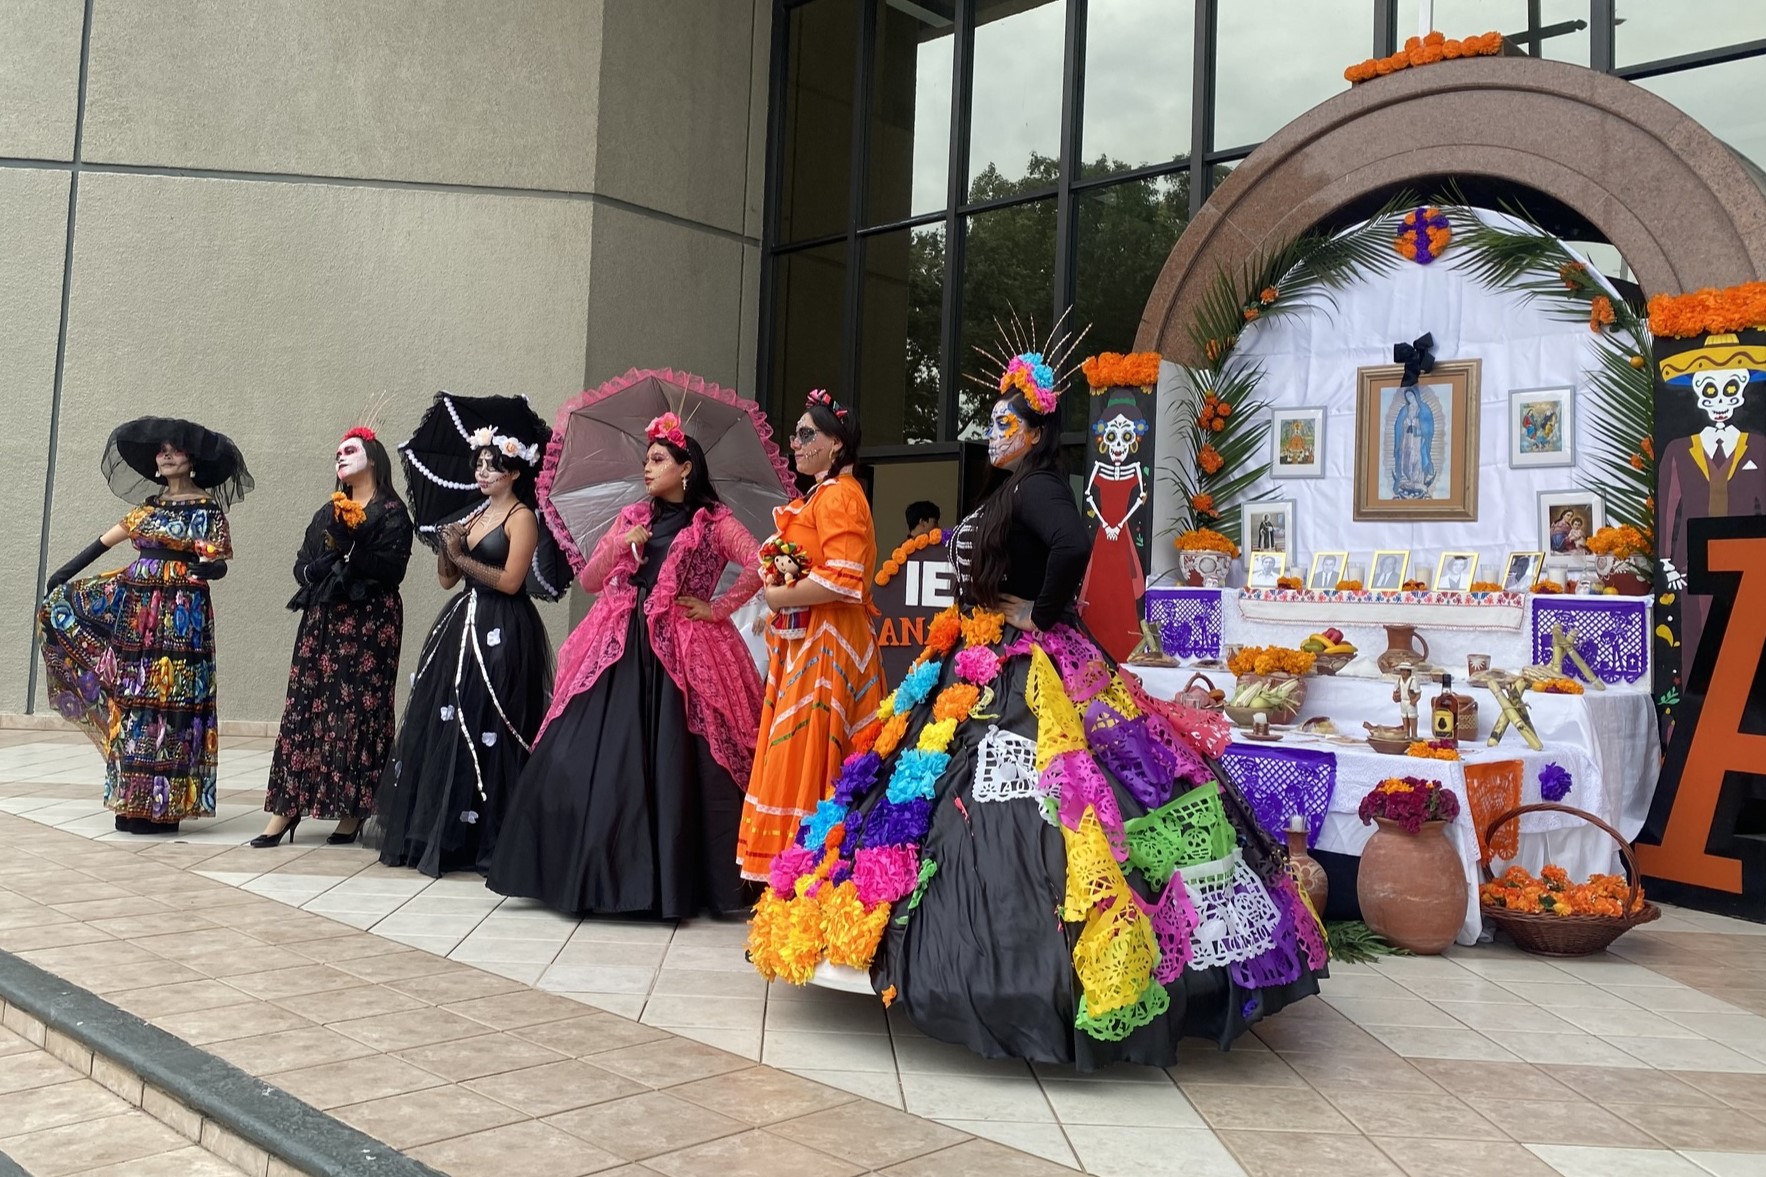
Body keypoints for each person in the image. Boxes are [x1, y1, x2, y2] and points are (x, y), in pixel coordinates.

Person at [747, 328, 1325, 1070]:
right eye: (990, 421)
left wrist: (1041, 614)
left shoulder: (1043, 486)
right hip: (974, 654)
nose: (993, 433)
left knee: (1046, 814)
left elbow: (1072, 547)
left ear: (1036, 431)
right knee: (938, 795)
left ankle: (1040, 973)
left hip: (1024, 664)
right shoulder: (1012, 487)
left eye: (1004, 423)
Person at [488, 415, 763, 918]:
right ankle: (590, 875)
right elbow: (592, 580)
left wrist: (717, 607)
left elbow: (761, 562)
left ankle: (689, 883)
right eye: (646, 459)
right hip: (622, 640)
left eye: (658, 459)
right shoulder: (634, 516)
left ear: (686, 469)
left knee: (691, 760)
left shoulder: (715, 522)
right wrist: (620, 543)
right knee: (585, 753)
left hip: (685, 645)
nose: (647, 467)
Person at [39, 417, 251, 835]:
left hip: (183, 614)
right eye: (162, 450)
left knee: (173, 705)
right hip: (137, 612)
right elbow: (103, 542)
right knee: (136, 702)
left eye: (176, 449)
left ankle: (166, 806)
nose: (167, 455)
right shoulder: (147, 510)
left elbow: (219, 562)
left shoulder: (208, 509)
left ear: (191, 460)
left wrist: (208, 569)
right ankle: (132, 801)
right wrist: (62, 576)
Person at [365, 426, 553, 877]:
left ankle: (490, 834)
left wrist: (462, 555)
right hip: (462, 620)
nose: (483, 471)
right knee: (450, 716)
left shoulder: (521, 517)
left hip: (504, 626)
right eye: (480, 464)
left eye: (493, 465)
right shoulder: (475, 514)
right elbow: (448, 579)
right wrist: (448, 551)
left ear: (513, 472)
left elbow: (510, 581)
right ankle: (447, 831)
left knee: (494, 720)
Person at [736, 389, 885, 882]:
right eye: (794, 434)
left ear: (836, 445)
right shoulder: (824, 494)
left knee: (809, 751)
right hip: (811, 641)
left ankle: (810, 871)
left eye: (806, 434)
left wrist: (777, 595)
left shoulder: (839, 495)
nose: (794, 444)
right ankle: (797, 872)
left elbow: (844, 578)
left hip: (829, 644)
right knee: (798, 750)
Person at [254, 426, 413, 848]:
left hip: (369, 623)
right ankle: (286, 809)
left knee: (359, 710)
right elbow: (303, 563)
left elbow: (389, 569)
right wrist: (323, 562)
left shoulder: (393, 512)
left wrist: (353, 547)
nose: (340, 457)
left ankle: (354, 809)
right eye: (337, 453)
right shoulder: (328, 510)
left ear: (374, 458)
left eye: (350, 450)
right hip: (323, 621)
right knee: (306, 707)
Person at [1079, 394, 1149, 660]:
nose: (1118, 445)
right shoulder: (1097, 467)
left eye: (1125, 437)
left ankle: (1124, 646)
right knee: (1099, 586)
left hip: (1120, 534)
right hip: (1103, 534)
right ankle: (1093, 647)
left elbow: (1140, 498)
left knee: (1122, 587)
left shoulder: (1134, 470)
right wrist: (1105, 523)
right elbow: (1088, 497)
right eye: (1112, 437)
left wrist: (1118, 524)